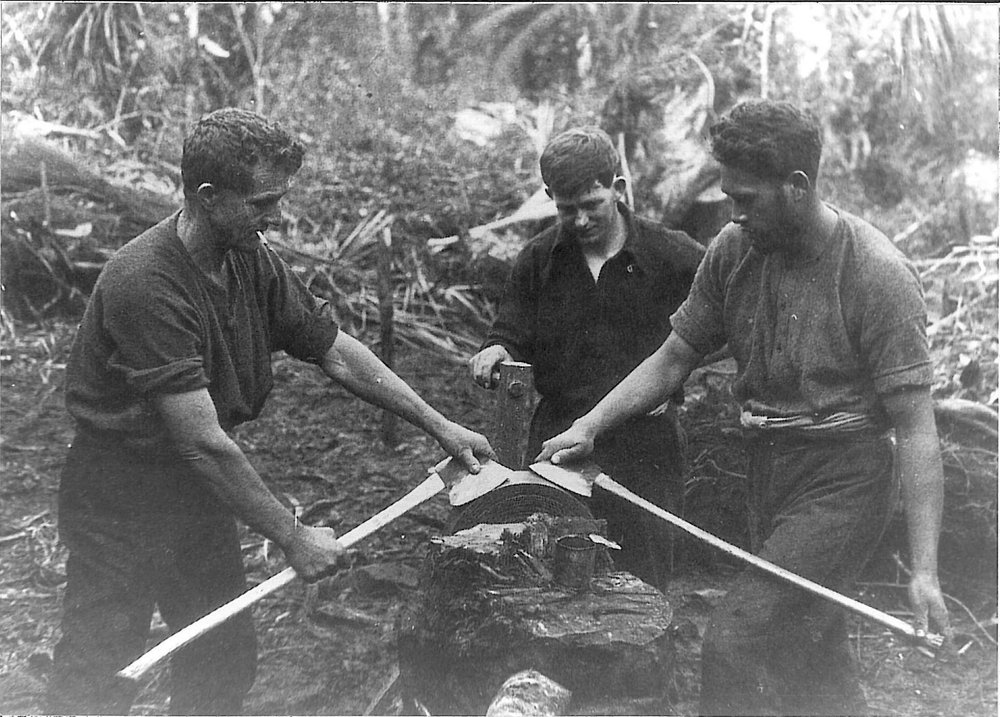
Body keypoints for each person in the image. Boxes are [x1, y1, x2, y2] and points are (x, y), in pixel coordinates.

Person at [48, 107, 496, 716]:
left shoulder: (249, 259)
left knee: (221, 660)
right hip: (120, 499)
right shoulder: (145, 283)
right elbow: (201, 442)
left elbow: (336, 353)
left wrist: (440, 426)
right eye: (262, 203)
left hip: (196, 494)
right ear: (209, 198)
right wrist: (291, 536)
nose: (276, 217)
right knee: (98, 672)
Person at [536, 100, 952, 716]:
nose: (732, 211)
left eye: (747, 197)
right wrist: (589, 427)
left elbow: (919, 433)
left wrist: (925, 571)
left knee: (735, 641)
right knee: (814, 657)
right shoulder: (735, 250)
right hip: (767, 472)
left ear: (797, 187)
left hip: (844, 481)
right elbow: (673, 358)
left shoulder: (876, 275)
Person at [469, 126, 706, 588]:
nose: (579, 221)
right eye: (565, 208)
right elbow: (511, 328)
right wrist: (496, 349)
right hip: (557, 443)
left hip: (644, 446)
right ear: (549, 198)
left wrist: (682, 370)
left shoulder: (671, 255)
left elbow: (724, 318)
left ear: (617, 189)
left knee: (644, 577)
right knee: (551, 572)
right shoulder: (539, 259)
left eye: (591, 205)